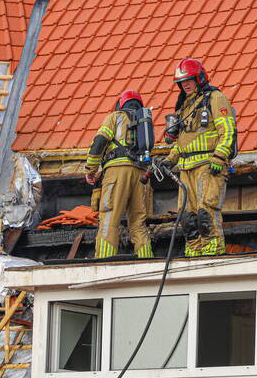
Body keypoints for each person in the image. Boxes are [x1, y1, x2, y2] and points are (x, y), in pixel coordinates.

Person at [161, 59, 237, 256]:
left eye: (189, 80)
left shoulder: (215, 98)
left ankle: (212, 252)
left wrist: (219, 157)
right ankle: (194, 254)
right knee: (188, 217)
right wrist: (170, 159)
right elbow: (184, 141)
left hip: (207, 166)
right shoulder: (186, 106)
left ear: (199, 78)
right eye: (182, 82)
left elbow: (228, 130)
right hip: (186, 170)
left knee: (206, 212)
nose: (185, 84)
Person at [85, 90, 154, 258]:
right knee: (138, 223)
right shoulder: (144, 123)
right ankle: (146, 261)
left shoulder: (115, 117)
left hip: (117, 173)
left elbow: (99, 142)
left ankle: (103, 261)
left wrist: (91, 169)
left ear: (120, 104)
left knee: (110, 219)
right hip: (141, 174)